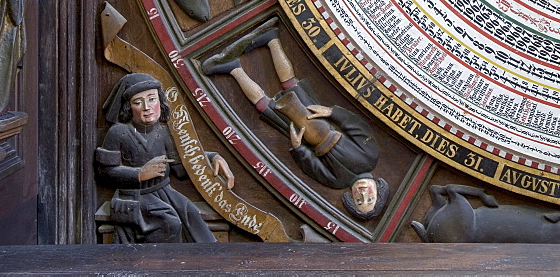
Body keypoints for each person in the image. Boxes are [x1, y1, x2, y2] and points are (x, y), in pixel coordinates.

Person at [202, 21, 389, 220]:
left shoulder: (337, 181)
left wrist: (299, 148)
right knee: (291, 84)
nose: (362, 194)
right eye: (370, 198)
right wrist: (331, 112)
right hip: (320, 120)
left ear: (350, 199)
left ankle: (233, 69)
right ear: (378, 189)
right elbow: (357, 127)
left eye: (359, 201)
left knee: (265, 107)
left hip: (304, 136)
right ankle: (272, 40)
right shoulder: (370, 157)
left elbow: (312, 167)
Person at [95, 73, 235, 243]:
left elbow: (180, 168)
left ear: (160, 102)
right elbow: (105, 173)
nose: (147, 107)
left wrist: (211, 157)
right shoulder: (118, 132)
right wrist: (140, 174)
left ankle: (207, 262)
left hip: (164, 193)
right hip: (134, 196)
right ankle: (164, 265)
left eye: (152, 99)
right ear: (128, 108)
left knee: (192, 215)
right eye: (138, 102)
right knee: (170, 223)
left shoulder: (164, 132)